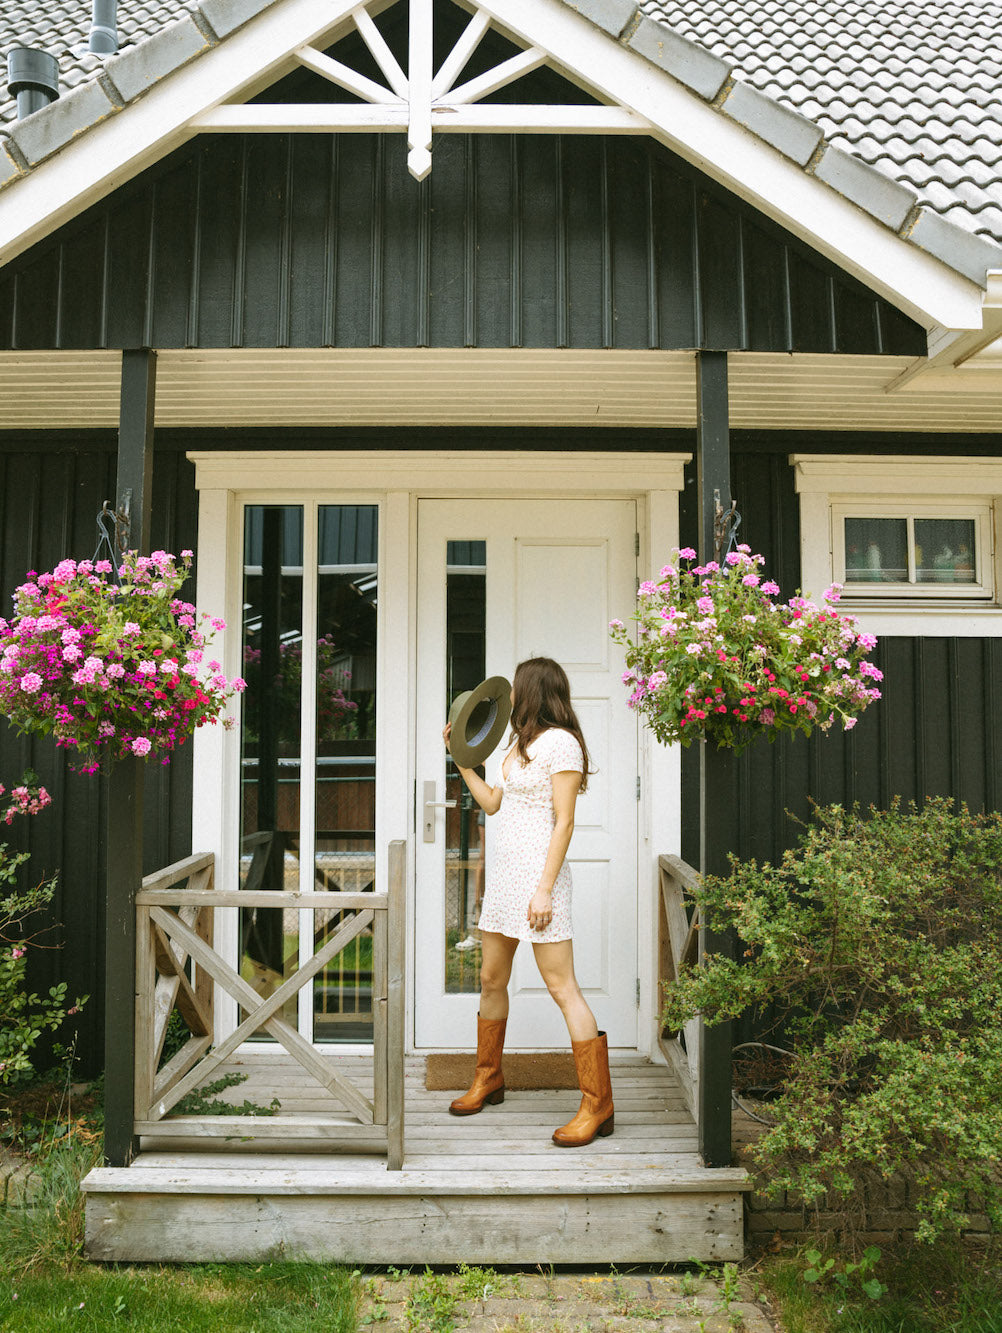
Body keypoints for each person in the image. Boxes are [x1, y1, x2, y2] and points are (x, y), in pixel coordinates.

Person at [442, 656, 613, 1147]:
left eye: (516, 688)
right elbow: (494, 803)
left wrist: (544, 889)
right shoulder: (517, 745)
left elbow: (565, 821)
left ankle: (597, 1103)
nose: (510, 696)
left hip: (540, 882)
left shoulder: (562, 744)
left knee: (563, 988)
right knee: (491, 979)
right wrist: (461, 760)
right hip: (505, 881)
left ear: (534, 690)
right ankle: (488, 1077)